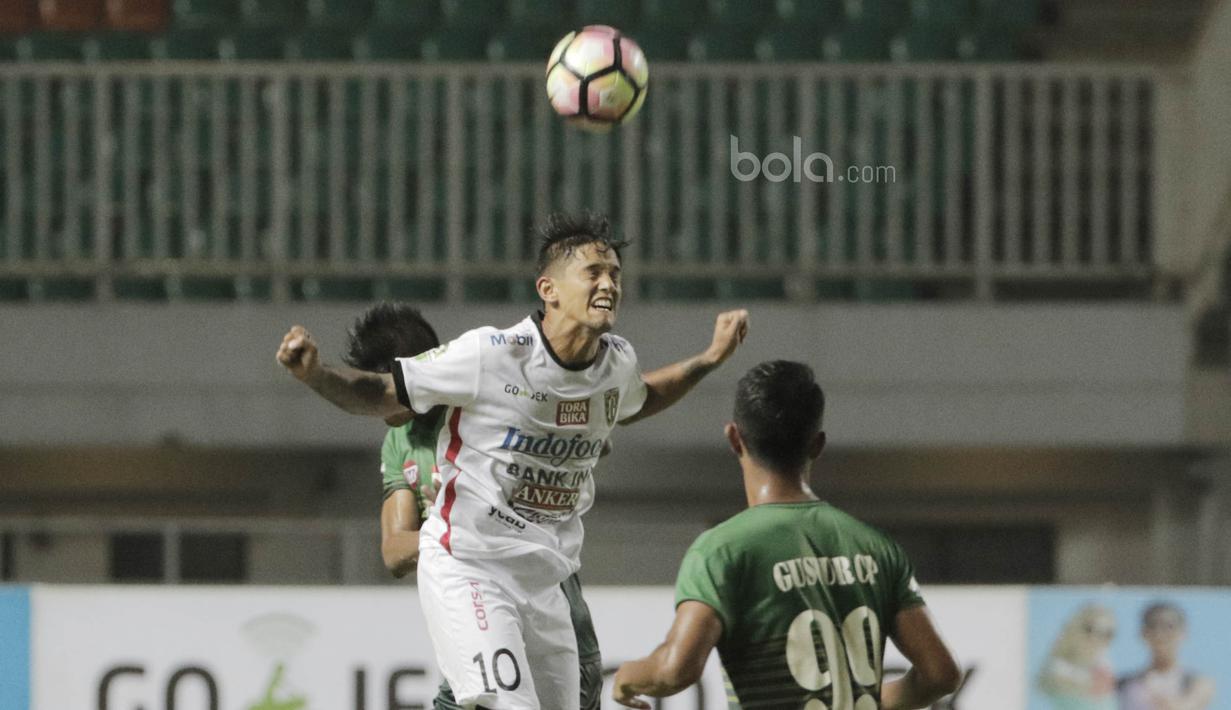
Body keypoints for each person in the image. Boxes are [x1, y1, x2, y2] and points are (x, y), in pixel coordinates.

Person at [276, 211, 749, 709]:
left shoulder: (616, 363)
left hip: (547, 580)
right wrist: (316, 375)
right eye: (593, 272)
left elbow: (639, 399)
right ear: (549, 289)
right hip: (471, 566)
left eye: (614, 273)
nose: (609, 283)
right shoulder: (491, 354)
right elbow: (381, 392)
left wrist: (709, 358)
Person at [612, 361, 962, 710]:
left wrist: (626, 677)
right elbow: (941, 674)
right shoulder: (877, 547)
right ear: (817, 444)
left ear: (734, 437)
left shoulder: (723, 551)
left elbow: (676, 669)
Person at [341, 301, 606, 710]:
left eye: (376, 387)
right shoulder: (400, 440)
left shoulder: (484, 402)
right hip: (484, 618)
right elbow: (393, 551)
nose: (373, 403)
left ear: (410, 373)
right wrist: (456, 527)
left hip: (555, 620)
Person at [1117, 602, 1214, 710]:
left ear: (1184, 633)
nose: (1160, 634)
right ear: (1143, 633)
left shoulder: (1196, 683)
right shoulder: (1123, 685)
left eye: (1169, 626)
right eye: (1153, 626)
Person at [1037, 603, 1118, 710]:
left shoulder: (1103, 667)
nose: (1096, 638)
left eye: (1107, 633)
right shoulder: (1055, 671)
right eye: (1089, 629)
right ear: (1075, 627)